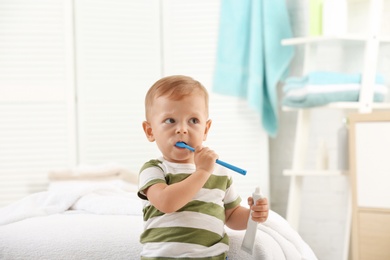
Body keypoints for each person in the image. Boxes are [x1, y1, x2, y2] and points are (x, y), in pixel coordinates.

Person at [138, 75, 269, 260]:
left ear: (206, 129)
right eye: (170, 120)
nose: (182, 129)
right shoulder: (154, 169)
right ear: (150, 131)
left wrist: (252, 215)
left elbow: (230, 216)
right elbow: (167, 203)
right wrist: (202, 172)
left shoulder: (219, 173)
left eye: (193, 121)